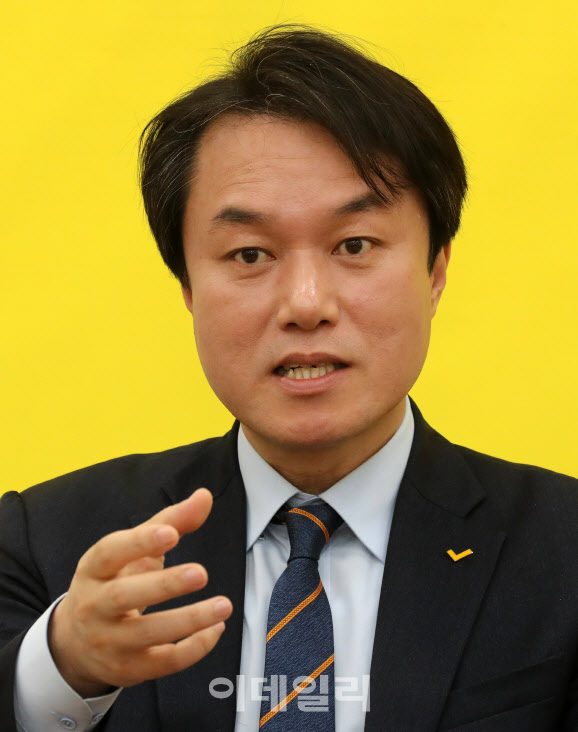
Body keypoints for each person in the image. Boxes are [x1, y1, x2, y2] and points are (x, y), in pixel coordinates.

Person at [0, 24, 576, 732]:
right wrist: (64, 669)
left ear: (435, 271)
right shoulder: (47, 543)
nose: (306, 304)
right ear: (188, 288)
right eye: (249, 254)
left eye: (354, 244)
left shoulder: (562, 550)